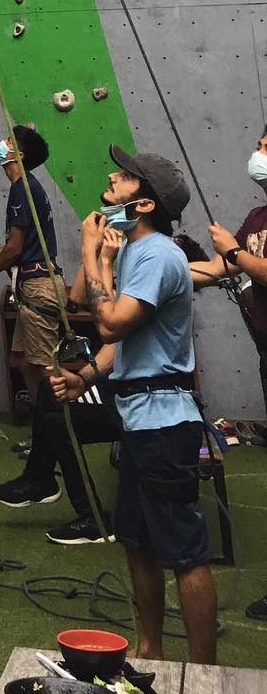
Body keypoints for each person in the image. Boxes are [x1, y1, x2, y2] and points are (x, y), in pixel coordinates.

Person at [50, 147, 216, 664]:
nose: (110, 179)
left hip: (166, 424)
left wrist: (93, 251)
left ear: (143, 204)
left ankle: (205, 673)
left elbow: (111, 323)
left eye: (122, 178)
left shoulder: (161, 255)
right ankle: (150, 653)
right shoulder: (133, 253)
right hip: (139, 419)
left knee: (185, 553)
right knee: (137, 539)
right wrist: (88, 379)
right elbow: (91, 314)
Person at [0, 126, 64, 412]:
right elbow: (21, 244)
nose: (1, 144)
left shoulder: (22, 189)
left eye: (7, 142)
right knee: (21, 361)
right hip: (33, 283)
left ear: (16, 155)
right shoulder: (27, 186)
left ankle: (65, 431)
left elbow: (15, 249)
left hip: (38, 287)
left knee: (46, 369)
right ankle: (43, 431)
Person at [190, 123, 267, 417]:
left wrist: (234, 251)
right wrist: (167, 269)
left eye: (266, 149)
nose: (257, 155)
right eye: (258, 147)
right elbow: (219, 265)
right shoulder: (257, 217)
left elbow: (235, 257)